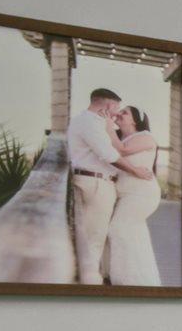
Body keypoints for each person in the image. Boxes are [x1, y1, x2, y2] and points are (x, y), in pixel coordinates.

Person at [65, 87, 153, 284]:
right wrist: (135, 170)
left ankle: (95, 278)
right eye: (117, 108)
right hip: (96, 184)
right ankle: (89, 284)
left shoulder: (83, 120)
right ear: (109, 105)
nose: (116, 113)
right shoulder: (91, 123)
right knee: (94, 239)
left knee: (93, 236)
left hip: (95, 182)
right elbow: (110, 154)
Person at [104, 106, 163, 286]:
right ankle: (141, 279)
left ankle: (124, 280)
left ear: (135, 120)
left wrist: (108, 127)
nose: (119, 114)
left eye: (125, 112)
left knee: (118, 228)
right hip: (126, 195)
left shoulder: (145, 137)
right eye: (119, 111)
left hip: (142, 195)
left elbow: (122, 150)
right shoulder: (120, 138)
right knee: (134, 233)